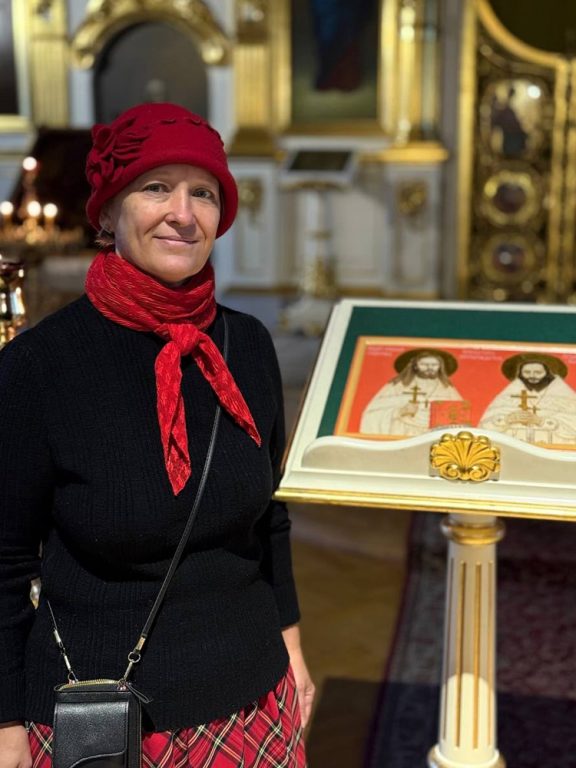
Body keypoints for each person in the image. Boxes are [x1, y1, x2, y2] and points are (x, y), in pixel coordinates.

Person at [0, 102, 314, 768]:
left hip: (256, 706)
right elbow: (3, 558)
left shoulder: (247, 346)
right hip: (104, 720)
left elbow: (271, 518)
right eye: (156, 187)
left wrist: (292, 645)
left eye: (204, 193)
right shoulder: (39, 366)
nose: (183, 213)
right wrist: (4, 723)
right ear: (108, 212)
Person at [360, 348, 463, 436]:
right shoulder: (397, 385)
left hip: (433, 434)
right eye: (424, 364)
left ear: (440, 366)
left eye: (434, 364)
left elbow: (460, 416)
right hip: (402, 431)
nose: (429, 368)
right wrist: (400, 411)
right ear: (415, 365)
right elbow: (372, 412)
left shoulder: (447, 388)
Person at [478, 354, 576, 445]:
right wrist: (507, 419)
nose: (532, 376)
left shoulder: (564, 395)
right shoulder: (509, 394)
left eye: (538, 372)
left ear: (548, 373)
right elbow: (484, 428)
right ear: (520, 374)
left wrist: (541, 421)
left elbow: (572, 426)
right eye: (527, 372)